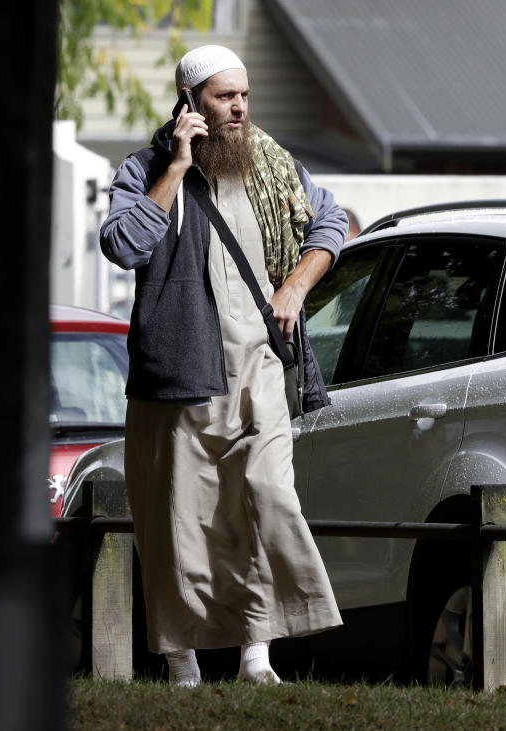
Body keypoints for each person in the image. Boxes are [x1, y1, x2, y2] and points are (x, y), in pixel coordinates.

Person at [100, 45, 346, 687]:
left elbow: (331, 222)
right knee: (180, 521)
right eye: (223, 97)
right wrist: (177, 167)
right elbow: (123, 245)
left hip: (260, 366)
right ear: (189, 103)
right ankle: (182, 662)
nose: (238, 108)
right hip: (180, 375)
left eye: (244, 95)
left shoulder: (270, 163)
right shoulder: (146, 168)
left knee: (267, 498)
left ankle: (256, 654)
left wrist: (294, 286)